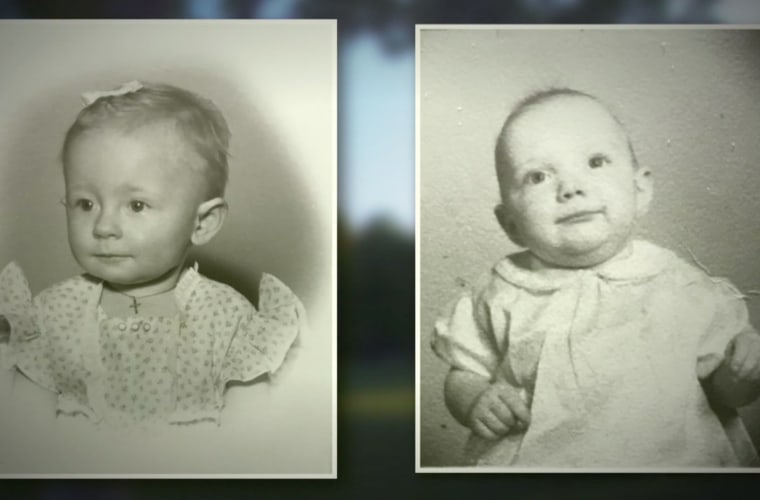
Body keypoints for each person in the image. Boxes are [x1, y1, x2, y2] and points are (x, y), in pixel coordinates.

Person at [432, 88, 760, 467]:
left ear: (640, 190)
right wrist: (475, 398)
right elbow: (465, 373)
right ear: (511, 224)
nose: (571, 188)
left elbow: (728, 393)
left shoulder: (682, 287)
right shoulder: (500, 292)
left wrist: (743, 373)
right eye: (537, 176)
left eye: (596, 161)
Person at [0, 81, 305, 427]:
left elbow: (254, 439)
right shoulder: (52, 314)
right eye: (85, 203)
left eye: (136, 205)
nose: (103, 227)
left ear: (202, 222)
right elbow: (25, 436)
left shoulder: (227, 317)